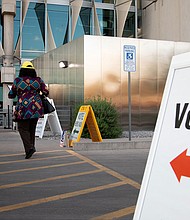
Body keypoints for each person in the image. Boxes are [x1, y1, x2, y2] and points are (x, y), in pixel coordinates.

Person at [8, 61, 49, 159]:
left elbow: (11, 94)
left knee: (22, 128)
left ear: (22, 70)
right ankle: (32, 146)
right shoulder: (38, 80)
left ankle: (29, 148)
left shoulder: (18, 81)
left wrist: (17, 93)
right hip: (36, 107)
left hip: (23, 107)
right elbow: (46, 91)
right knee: (32, 128)